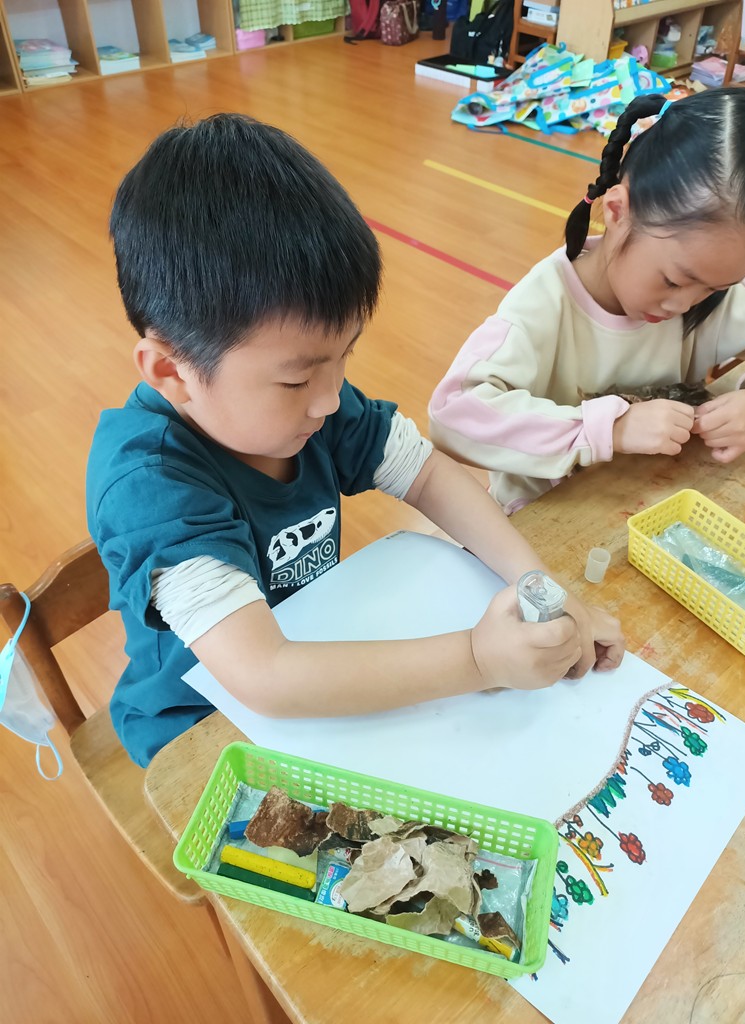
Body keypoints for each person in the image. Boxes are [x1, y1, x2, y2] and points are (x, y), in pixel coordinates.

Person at [87, 114, 623, 768]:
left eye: (343, 357)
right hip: (202, 728)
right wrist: (479, 659)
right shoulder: (149, 486)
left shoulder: (313, 403)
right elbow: (265, 675)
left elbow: (429, 475)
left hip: (322, 658)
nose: (330, 398)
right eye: (296, 379)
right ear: (172, 372)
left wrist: (541, 586)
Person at [429, 88, 745, 515]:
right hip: (545, 517)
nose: (684, 305)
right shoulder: (543, 305)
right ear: (617, 211)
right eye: (673, 281)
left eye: (714, 288)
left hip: (649, 499)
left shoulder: (707, 285)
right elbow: (451, 416)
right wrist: (609, 429)